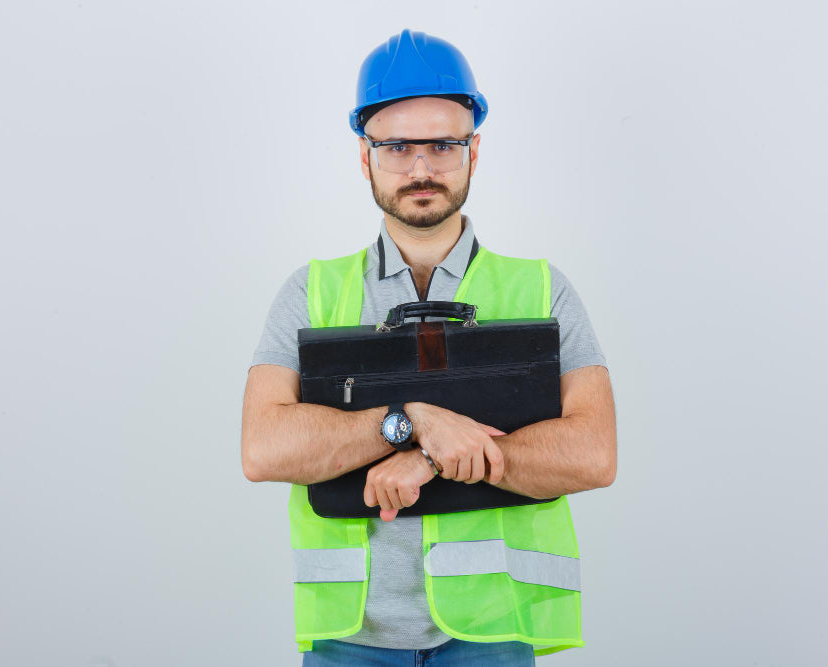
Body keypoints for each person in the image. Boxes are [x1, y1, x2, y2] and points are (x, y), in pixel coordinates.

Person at [241, 29, 616, 666]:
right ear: (366, 158)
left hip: (491, 638)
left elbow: (592, 454)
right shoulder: (312, 292)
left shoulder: (541, 289)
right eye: (397, 147)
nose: (421, 168)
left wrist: (433, 459)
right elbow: (263, 447)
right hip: (349, 641)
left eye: (443, 144)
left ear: (474, 151)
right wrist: (409, 422)